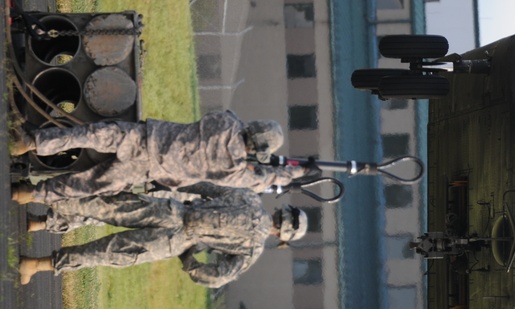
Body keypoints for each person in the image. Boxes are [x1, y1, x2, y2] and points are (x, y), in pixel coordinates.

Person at [18, 183, 308, 287]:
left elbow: (204, 186)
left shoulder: (249, 198)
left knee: (105, 207)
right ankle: (35, 265)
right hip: (174, 243)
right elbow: (217, 276)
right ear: (282, 236)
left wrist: (171, 185)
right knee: (108, 252)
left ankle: (33, 196)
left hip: (172, 210)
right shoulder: (253, 250)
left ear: (280, 212)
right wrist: (189, 262)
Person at [10, 111, 313, 204]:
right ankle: (32, 193)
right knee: (89, 185)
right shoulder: (232, 167)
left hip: (147, 136)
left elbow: (225, 118)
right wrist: (293, 174)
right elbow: (256, 183)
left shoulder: (227, 122)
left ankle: (32, 142)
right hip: (147, 168)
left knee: (88, 134)